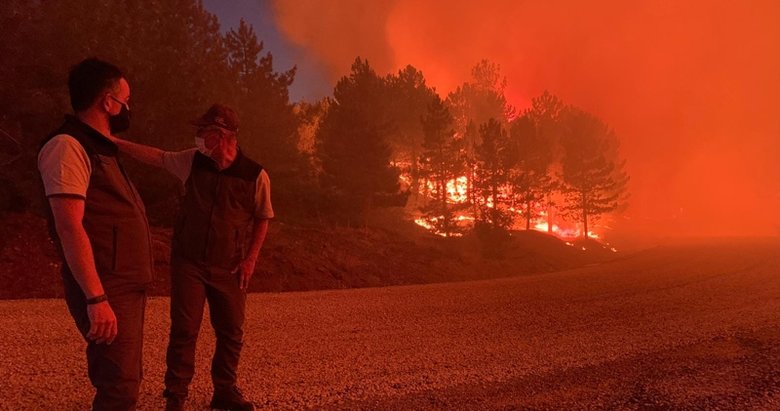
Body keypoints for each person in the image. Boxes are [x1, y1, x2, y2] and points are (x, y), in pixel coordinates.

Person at [112, 104, 272, 411]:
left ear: (222, 135)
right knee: (184, 329)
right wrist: (116, 143)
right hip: (189, 262)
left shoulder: (255, 175)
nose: (198, 137)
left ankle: (224, 391)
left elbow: (263, 217)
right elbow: (158, 157)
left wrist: (250, 259)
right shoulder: (192, 161)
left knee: (231, 330)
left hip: (230, 266)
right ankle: (176, 395)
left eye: (204, 132)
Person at [38, 58, 152, 410]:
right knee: (117, 389)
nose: (127, 108)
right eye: (125, 100)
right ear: (107, 102)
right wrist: (96, 298)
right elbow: (69, 225)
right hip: (106, 285)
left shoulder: (100, 148)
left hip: (121, 283)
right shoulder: (68, 147)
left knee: (125, 379)